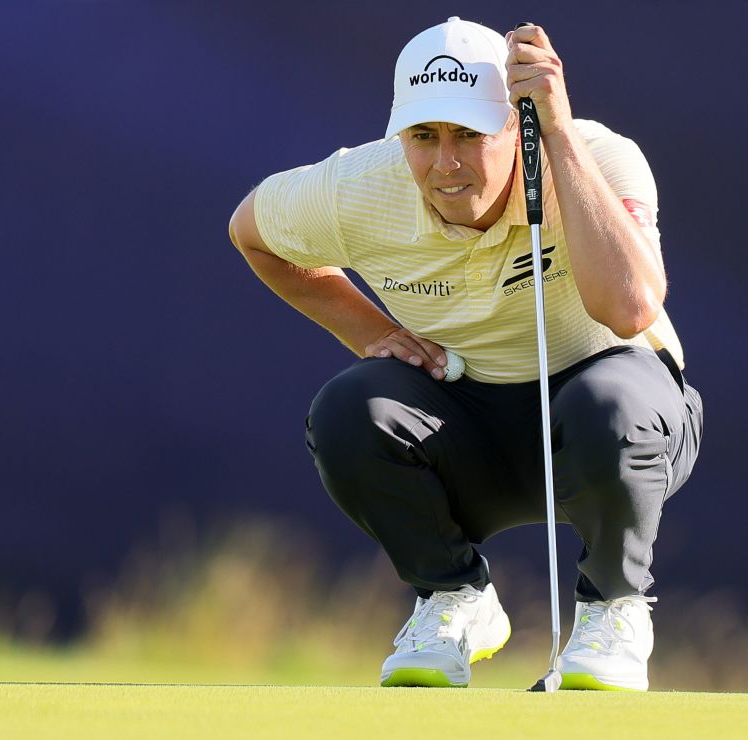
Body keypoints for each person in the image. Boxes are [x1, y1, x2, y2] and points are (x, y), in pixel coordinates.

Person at [228, 17, 704, 691]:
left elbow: (629, 308)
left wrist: (559, 134)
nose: (446, 162)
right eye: (425, 136)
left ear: (519, 125)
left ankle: (613, 610)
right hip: (472, 429)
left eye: (470, 135)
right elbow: (251, 231)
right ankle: (455, 599)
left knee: (607, 403)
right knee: (347, 410)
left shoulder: (596, 156)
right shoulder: (359, 188)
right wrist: (368, 332)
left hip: (621, 429)